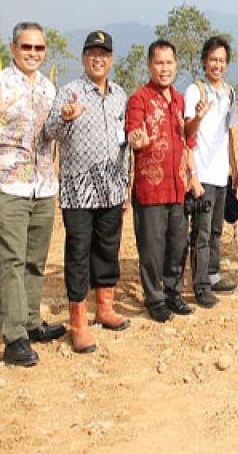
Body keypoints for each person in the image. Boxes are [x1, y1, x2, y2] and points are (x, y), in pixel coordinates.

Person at [43, 30, 130, 353]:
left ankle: (104, 308)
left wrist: (125, 184)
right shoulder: (69, 92)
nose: (98, 59)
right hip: (78, 190)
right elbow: (49, 132)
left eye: (104, 54)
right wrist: (66, 118)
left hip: (111, 187)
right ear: (84, 58)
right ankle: (78, 322)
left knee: (107, 248)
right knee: (78, 253)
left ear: (110, 59)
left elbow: (126, 144)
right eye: (93, 53)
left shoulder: (120, 94)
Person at [0, 22, 64, 366]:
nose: (33, 54)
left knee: (35, 258)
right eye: (27, 47)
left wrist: (66, 119)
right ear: (13, 48)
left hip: (43, 185)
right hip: (9, 185)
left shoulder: (48, 89)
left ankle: (29, 320)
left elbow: (51, 134)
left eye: (39, 48)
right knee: (10, 259)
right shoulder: (2, 85)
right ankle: (13, 337)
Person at [126, 40, 192, 322]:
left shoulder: (179, 100)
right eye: (159, 63)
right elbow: (133, 133)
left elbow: (187, 140)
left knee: (177, 244)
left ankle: (173, 291)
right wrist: (137, 139)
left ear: (175, 65)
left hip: (177, 186)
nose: (164, 68)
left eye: (169, 63)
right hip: (151, 188)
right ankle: (154, 298)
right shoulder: (139, 98)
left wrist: (192, 177)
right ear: (150, 65)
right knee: (152, 247)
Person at [182, 36, 238, 307]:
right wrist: (199, 116)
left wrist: (233, 167)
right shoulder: (195, 92)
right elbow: (186, 133)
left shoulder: (228, 92)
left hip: (220, 172)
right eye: (212, 60)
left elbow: (229, 131)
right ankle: (201, 285)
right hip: (202, 174)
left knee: (216, 229)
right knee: (201, 233)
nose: (217, 65)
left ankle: (214, 275)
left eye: (222, 61)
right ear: (204, 62)